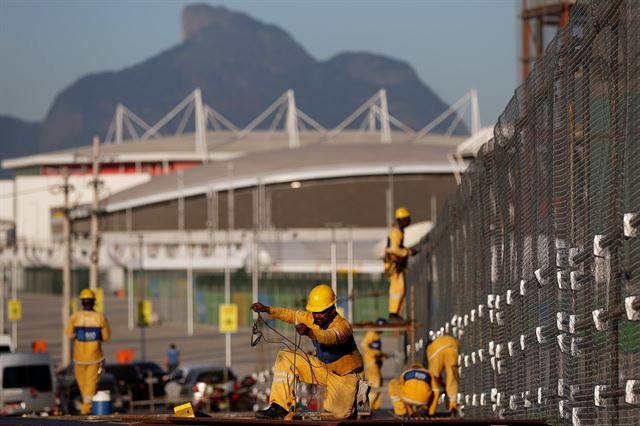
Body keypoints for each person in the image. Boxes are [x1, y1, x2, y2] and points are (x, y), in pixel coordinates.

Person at [251, 283, 364, 420]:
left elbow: (331, 337)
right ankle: (279, 407)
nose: (316, 316)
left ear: (333, 309)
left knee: (340, 414)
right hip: (323, 368)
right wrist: (268, 309)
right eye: (314, 311)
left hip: (345, 376)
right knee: (285, 357)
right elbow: (292, 315)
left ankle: (353, 402)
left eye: (321, 312)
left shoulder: (342, 326)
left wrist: (310, 332)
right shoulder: (312, 318)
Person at [65, 288, 111, 415]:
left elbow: (69, 335)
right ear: (93, 302)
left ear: (82, 302)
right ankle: (86, 408)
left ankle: (86, 407)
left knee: (83, 385)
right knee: (91, 384)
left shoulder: (75, 317)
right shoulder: (100, 317)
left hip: (79, 358)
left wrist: (79, 337)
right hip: (94, 357)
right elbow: (106, 337)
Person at [384, 207, 417, 323]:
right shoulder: (396, 232)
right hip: (393, 265)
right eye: (405, 219)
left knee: (401, 288)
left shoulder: (399, 232)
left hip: (395, 264)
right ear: (400, 220)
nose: (407, 221)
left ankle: (396, 314)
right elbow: (393, 249)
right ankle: (393, 314)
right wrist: (406, 252)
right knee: (397, 289)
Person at [426, 334, 460, 414]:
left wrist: (439, 383)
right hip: (453, 346)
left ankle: (429, 408)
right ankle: (453, 406)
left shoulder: (430, 348)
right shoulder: (443, 339)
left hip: (437, 350)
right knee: (452, 378)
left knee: (433, 379)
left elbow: (434, 374)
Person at [360, 318, 388, 410]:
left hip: (375, 363)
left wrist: (381, 354)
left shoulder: (376, 335)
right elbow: (363, 344)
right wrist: (374, 354)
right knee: (375, 384)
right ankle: (369, 407)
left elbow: (376, 350)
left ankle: (375, 407)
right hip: (371, 363)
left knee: (379, 384)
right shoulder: (372, 333)